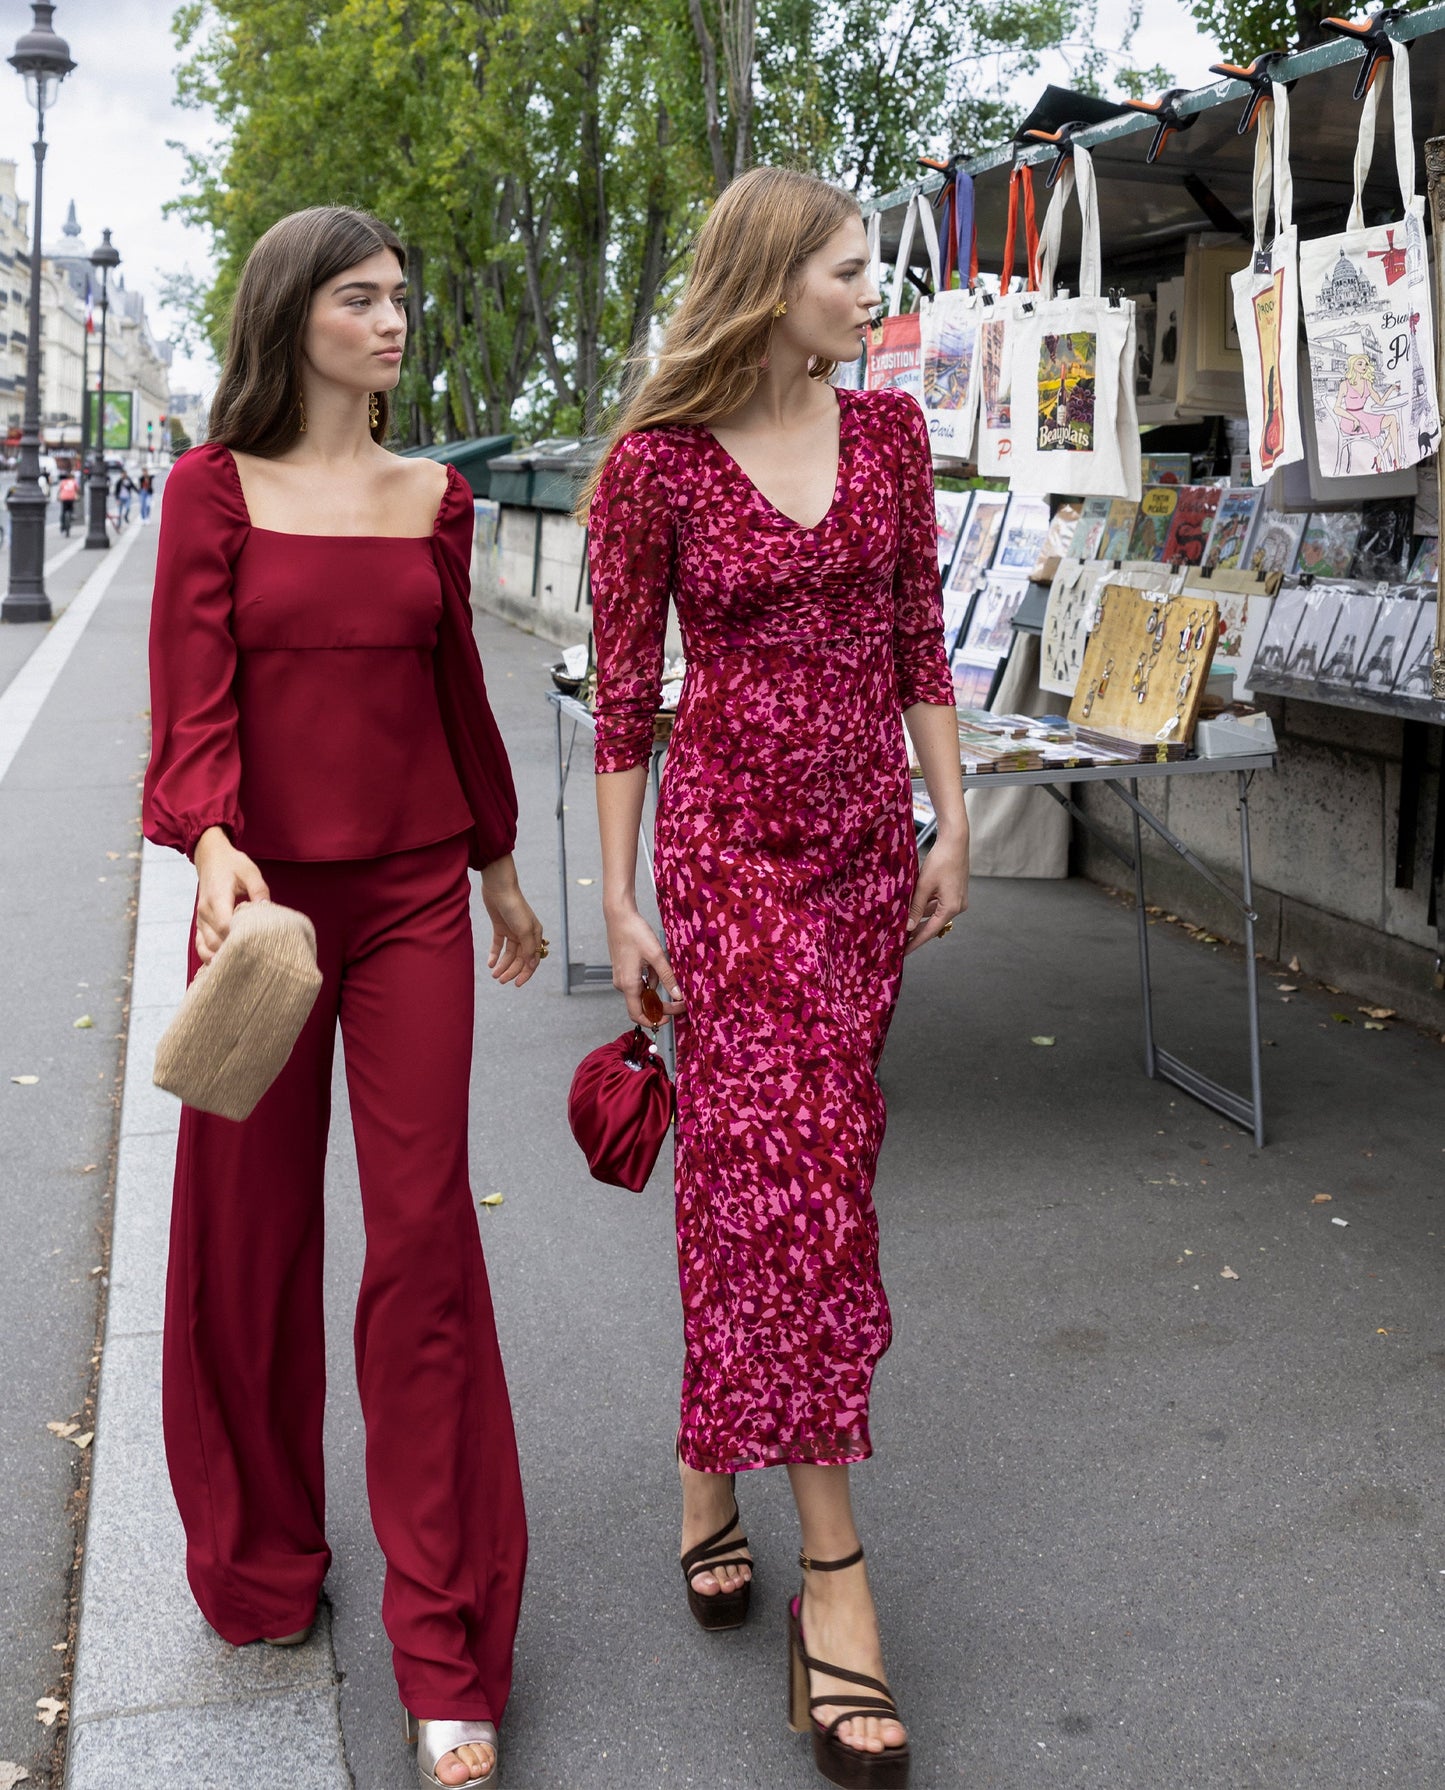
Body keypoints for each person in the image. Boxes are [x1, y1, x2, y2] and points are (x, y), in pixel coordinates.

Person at [142, 205, 541, 1790]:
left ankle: (446, 1645)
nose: (395, 318)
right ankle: (259, 1561)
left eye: (402, 295)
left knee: (425, 1240)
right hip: (263, 919)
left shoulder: (435, 497)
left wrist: (501, 866)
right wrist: (215, 843)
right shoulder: (207, 493)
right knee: (245, 1242)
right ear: (292, 314)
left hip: (411, 907)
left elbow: (456, 690)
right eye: (364, 297)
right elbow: (190, 710)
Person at [583, 166, 969, 1790]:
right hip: (726, 860)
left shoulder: (888, 440)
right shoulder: (654, 469)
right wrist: (614, 898)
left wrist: (960, 808)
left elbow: (916, 636)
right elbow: (620, 700)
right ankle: (839, 1579)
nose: (871, 294)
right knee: (791, 1182)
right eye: (848, 269)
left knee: (779, 1179)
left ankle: (702, 1459)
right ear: (769, 279)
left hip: (868, 858)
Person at [57, 470, 78, 535]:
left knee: (63, 511)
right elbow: (77, 489)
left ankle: (62, 526)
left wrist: (58, 496)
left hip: (64, 498)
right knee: (71, 509)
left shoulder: (63, 482)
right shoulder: (74, 481)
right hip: (71, 498)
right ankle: (71, 516)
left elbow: (59, 490)